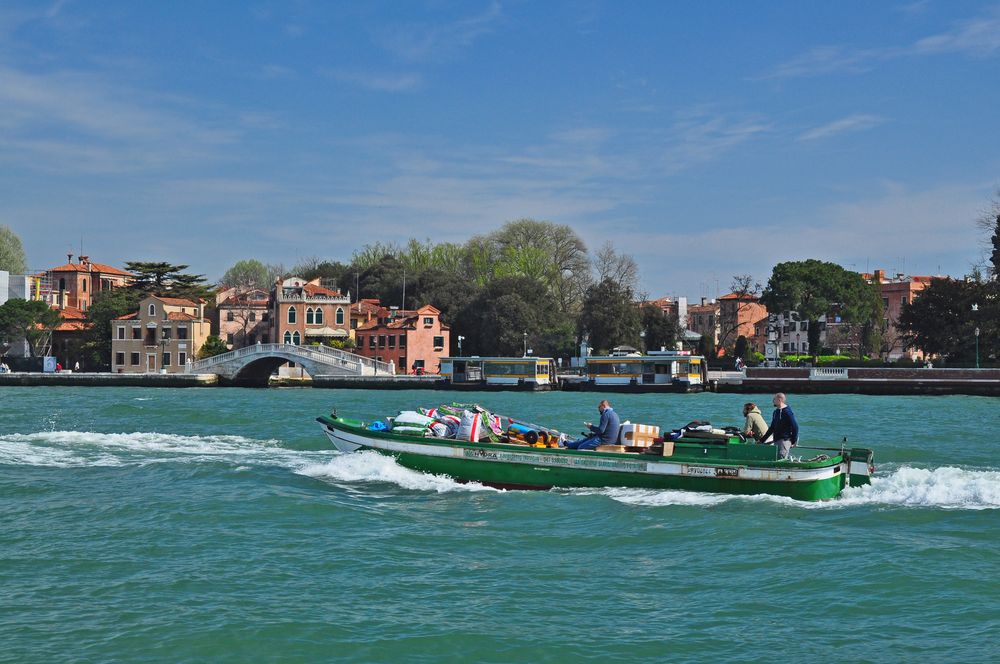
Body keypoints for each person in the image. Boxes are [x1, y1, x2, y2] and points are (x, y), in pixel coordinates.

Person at [761, 392, 798, 459]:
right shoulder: (776, 412)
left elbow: (795, 426)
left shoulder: (787, 412)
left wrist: (793, 440)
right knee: (776, 458)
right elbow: (772, 428)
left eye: (774, 399)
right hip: (776, 440)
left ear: (779, 400)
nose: (773, 401)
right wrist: (762, 440)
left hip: (784, 440)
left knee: (781, 458)